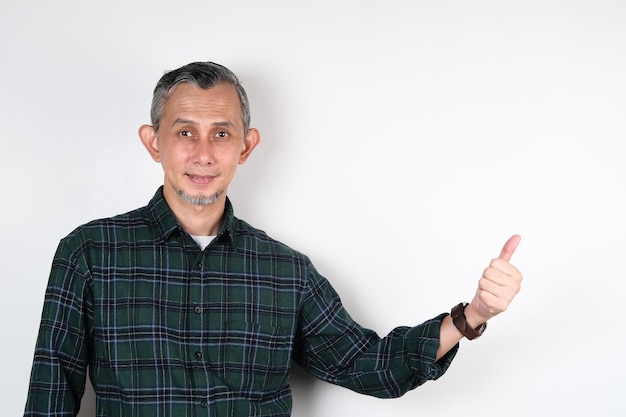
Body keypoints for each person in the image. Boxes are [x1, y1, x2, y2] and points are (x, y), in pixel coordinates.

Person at [24, 61, 523, 417]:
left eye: (221, 134)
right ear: (153, 142)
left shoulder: (286, 271)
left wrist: (472, 315)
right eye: (184, 132)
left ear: (246, 145)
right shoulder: (88, 255)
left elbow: (368, 367)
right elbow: (50, 399)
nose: (203, 153)